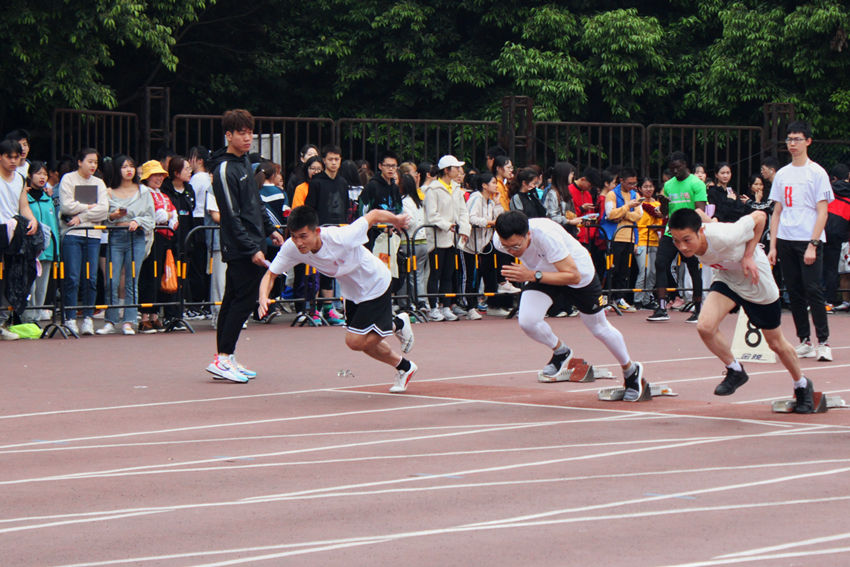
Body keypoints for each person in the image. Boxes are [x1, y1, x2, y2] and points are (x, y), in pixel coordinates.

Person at [668, 208, 817, 413]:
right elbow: (698, 212)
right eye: (676, 241)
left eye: (687, 240)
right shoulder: (697, 234)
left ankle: (802, 384)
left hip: (756, 281)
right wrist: (706, 218)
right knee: (705, 327)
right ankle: (735, 370)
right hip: (727, 279)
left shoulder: (728, 235)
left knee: (775, 343)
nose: (682, 247)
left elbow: (760, 217)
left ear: (700, 231)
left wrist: (748, 256)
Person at [258, 205, 417, 393]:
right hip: (352, 292)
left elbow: (373, 215)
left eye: (303, 236)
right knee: (362, 343)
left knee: (355, 341)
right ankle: (405, 367)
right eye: (294, 236)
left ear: (317, 231)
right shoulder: (292, 248)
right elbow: (270, 275)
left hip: (374, 282)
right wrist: (263, 297)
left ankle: (397, 324)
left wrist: (396, 220)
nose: (299, 242)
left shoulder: (340, 237)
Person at [494, 211, 646, 401]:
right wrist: (532, 273)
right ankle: (561, 351)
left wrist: (532, 275)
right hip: (541, 273)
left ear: (528, 235)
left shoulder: (547, 236)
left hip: (577, 274)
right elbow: (511, 251)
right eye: (507, 247)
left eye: (516, 246)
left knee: (599, 328)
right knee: (528, 321)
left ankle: (631, 371)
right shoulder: (499, 240)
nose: (512, 251)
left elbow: (573, 276)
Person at [206, 109, 284, 383]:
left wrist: (271, 229)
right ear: (229, 135)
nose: (248, 137)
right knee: (243, 300)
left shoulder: (245, 164)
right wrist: (251, 248)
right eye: (242, 133)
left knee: (232, 299)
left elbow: (255, 203)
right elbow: (230, 214)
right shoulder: (224, 168)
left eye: (250, 132)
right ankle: (223, 357)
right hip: (241, 247)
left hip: (253, 241)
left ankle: (226, 356)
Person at [767, 121, 833, 361]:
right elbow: (777, 211)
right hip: (786, 238)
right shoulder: (782, 174)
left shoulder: (817, 172)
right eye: (789, 139)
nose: (792, 144)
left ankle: (823, 342)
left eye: (797, 139)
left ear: (808, 141)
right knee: (794, 291)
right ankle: (804, 340)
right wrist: (773, 246)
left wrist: (813, 244)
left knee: (813, 289)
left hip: (808, 238)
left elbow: (823, 212)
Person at [97, 155, 155, 335]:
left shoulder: (143, 191)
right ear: (117, 170)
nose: (128, 170)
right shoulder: (108, 192)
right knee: (111, 280)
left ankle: (129, 321)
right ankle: (110, 320)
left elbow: (150, 216)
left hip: (136, 237)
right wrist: (113, 216)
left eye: (131, 166)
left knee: (132, 280)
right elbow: (103, 216)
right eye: (123, 167)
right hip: (115, 236)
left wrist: (137, 221)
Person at [647, 151, 707, 323]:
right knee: (660, 263)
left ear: (685, 165)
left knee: (693, 268)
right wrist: (663, 205)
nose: (674, 171)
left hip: (689, 232)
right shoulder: (668, 185)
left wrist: (693, 232)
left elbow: (700, 211)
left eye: (677, 167)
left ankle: (698, 309)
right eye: (672, 168)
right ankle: (661, 307)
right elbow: (664, 212)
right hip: (671, 231)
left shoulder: (697, 183)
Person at [58, 147, 108, 335]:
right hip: (72, 234)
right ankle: (70, 317)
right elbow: (66, 206)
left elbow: (104, 210)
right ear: (80, 162)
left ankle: (88, 317)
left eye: (96, 162)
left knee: (91, 278)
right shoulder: (68, 179)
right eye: (90, 161)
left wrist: (81, 216)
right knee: (72, 277)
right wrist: (89, 207)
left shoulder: (99, 183)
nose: (93, 165)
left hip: (93, 235)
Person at [304, 144, 349, 325]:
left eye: (337, 159)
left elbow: (346, 207)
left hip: (337, 231)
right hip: (320, 231)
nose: (334, 163)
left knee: (332, 270)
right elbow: (309, 207)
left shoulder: (343, 182)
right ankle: (313, 309)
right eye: (330, 159)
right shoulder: (317, 182)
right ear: (324, 161)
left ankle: (328, 308)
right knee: (315, 270)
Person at [423, 154, 471, 321]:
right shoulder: (433, 189)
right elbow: (431, 215)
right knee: (435, 273)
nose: (459, 171)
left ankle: (446, 306)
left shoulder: (456, 189)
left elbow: (463, 212)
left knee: (448, 274)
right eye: (456, 168)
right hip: (438, 238)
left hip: (452, 238)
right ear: (446, 170)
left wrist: (464, 229)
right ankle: (433, 307)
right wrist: (446, 225)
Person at [137, 160, 177, 333]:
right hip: (151, 238)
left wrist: (169, 216)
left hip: (165, 238)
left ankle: (155, 315)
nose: (159, 178)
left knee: (160, 275)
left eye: (161, 175)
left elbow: (173, 214)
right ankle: (145, 316)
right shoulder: (144, 193)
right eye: (155, 175)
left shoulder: (163, 195)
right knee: (148, 275)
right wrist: (168, 216)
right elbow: (157, 216)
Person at [601, 167, 643, 311]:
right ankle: (607, 297)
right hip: (615, 236)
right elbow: (610, 214)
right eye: (629, 183)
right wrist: (627, 207)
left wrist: (623, 213)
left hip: (630, 237)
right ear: (621, 181)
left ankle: (619, 298)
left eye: (634, 183)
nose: (632, 186)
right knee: (612, 268)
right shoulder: (612, 194)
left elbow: (638, 215)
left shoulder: (636, 195)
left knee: (625, 270)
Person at [21, 161, 58, 323]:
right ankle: (27, 320)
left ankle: (36, 321)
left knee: (42, 288)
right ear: (30, 176)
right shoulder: (24, 198)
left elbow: (53, 225)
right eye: (38, 173)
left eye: (45, 174)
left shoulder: (48, 198)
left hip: (47, 250)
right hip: (30, 250)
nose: (42, 177)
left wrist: (56, 250)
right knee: (30, 285)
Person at [399, 172, 431, 308]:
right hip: (422, 241)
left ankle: (416, 302)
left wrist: (399, 224)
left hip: (410, 241)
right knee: (418, 274)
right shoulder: (418, 201)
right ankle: (422, 301)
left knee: (410, 274)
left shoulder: (404, 202)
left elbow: (409, 221)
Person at [633, 177, 663, 309]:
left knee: (653, 272)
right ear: (640, 189)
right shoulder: (637, 203)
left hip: (654, 240)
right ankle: (638, 299)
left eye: (651, 186)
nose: (648, 189)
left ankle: (647, 298)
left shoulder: (657, 204)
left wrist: (658, 226)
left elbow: (661, 221)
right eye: (645, 186)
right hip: (641, 240)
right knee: (644, 270)